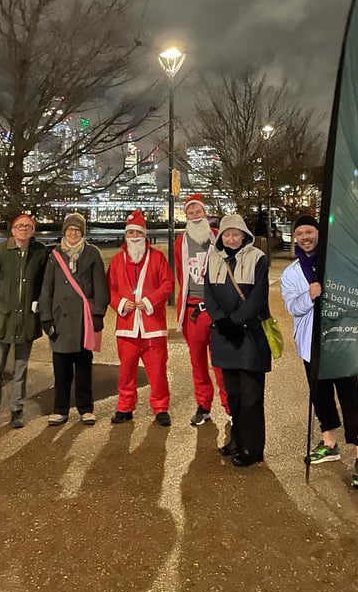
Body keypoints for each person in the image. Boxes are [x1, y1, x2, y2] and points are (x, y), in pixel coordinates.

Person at [280, 215, 358, 489]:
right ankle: (330, 442)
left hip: (340, 341)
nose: (304, 237)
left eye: (309, 231)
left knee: (349, 396)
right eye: (299, 233)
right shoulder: (291, 273)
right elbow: (292, 308)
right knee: (320, 395)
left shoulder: (338, 264)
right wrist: (309, 295)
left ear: (318, 233)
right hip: (312, 344)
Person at [204, 213, 271, 468]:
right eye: (227, 234)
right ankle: (237, 439)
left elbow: (258, 297)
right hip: (224, 334)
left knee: (251, 395)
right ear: (221, 236)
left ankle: (253, 448)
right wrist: (221, 319)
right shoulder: (214, 259)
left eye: (236, 234)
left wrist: (237, 320)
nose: (232, 239)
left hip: (250, 333)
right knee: (233, 394)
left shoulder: (257, 258)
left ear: (244, 235)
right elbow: (209, 293)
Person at [40, 213, 109, 426]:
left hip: (84, 319)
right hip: (60, 318)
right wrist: (46, 317)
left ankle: (86, 408)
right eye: (70, 229)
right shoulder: (54, 255)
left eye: (77, 230)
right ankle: (60, 408)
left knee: (83, 366)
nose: (73, 233)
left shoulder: (92, 253)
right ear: (64, 231)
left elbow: (100, 285)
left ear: (82, 232)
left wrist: (99, 313)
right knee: (60, 368)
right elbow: (46, 288)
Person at [0, 214, 49, 430]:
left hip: (26, 317)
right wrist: (1, 303)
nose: (23, 230)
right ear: (12, 230)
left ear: (33, 230)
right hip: (1, 318)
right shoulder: (0, 251)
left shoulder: (40, 252)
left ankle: (16, 409)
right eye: (19, 226)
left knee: (21, 367)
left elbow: (43, 281)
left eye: (28, 227)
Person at [107, 209, 175, 426]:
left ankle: (160, 407)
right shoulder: (117, 260)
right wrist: (119, 303)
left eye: (138, 233)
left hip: (152, 324)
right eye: (131, 233)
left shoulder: (158, 258)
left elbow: (168, 284)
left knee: (157, 370)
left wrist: (149, 301)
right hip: (127, 325)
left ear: (144, 235)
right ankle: (125, 406)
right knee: (126, 370)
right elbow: (109, 289)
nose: (135, 237)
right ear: (126, 236)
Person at [175, 193, 229, 426]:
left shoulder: (218, 238)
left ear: (205, 213)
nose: (195, 216)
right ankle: (203, 405)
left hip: (215, 309)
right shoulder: (181, 242)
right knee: (197, 361)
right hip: (192, 310)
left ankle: (229, 407)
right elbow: (180, 273)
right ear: (185, 216)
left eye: (198, 212)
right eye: (191, 213)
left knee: (221, 362)